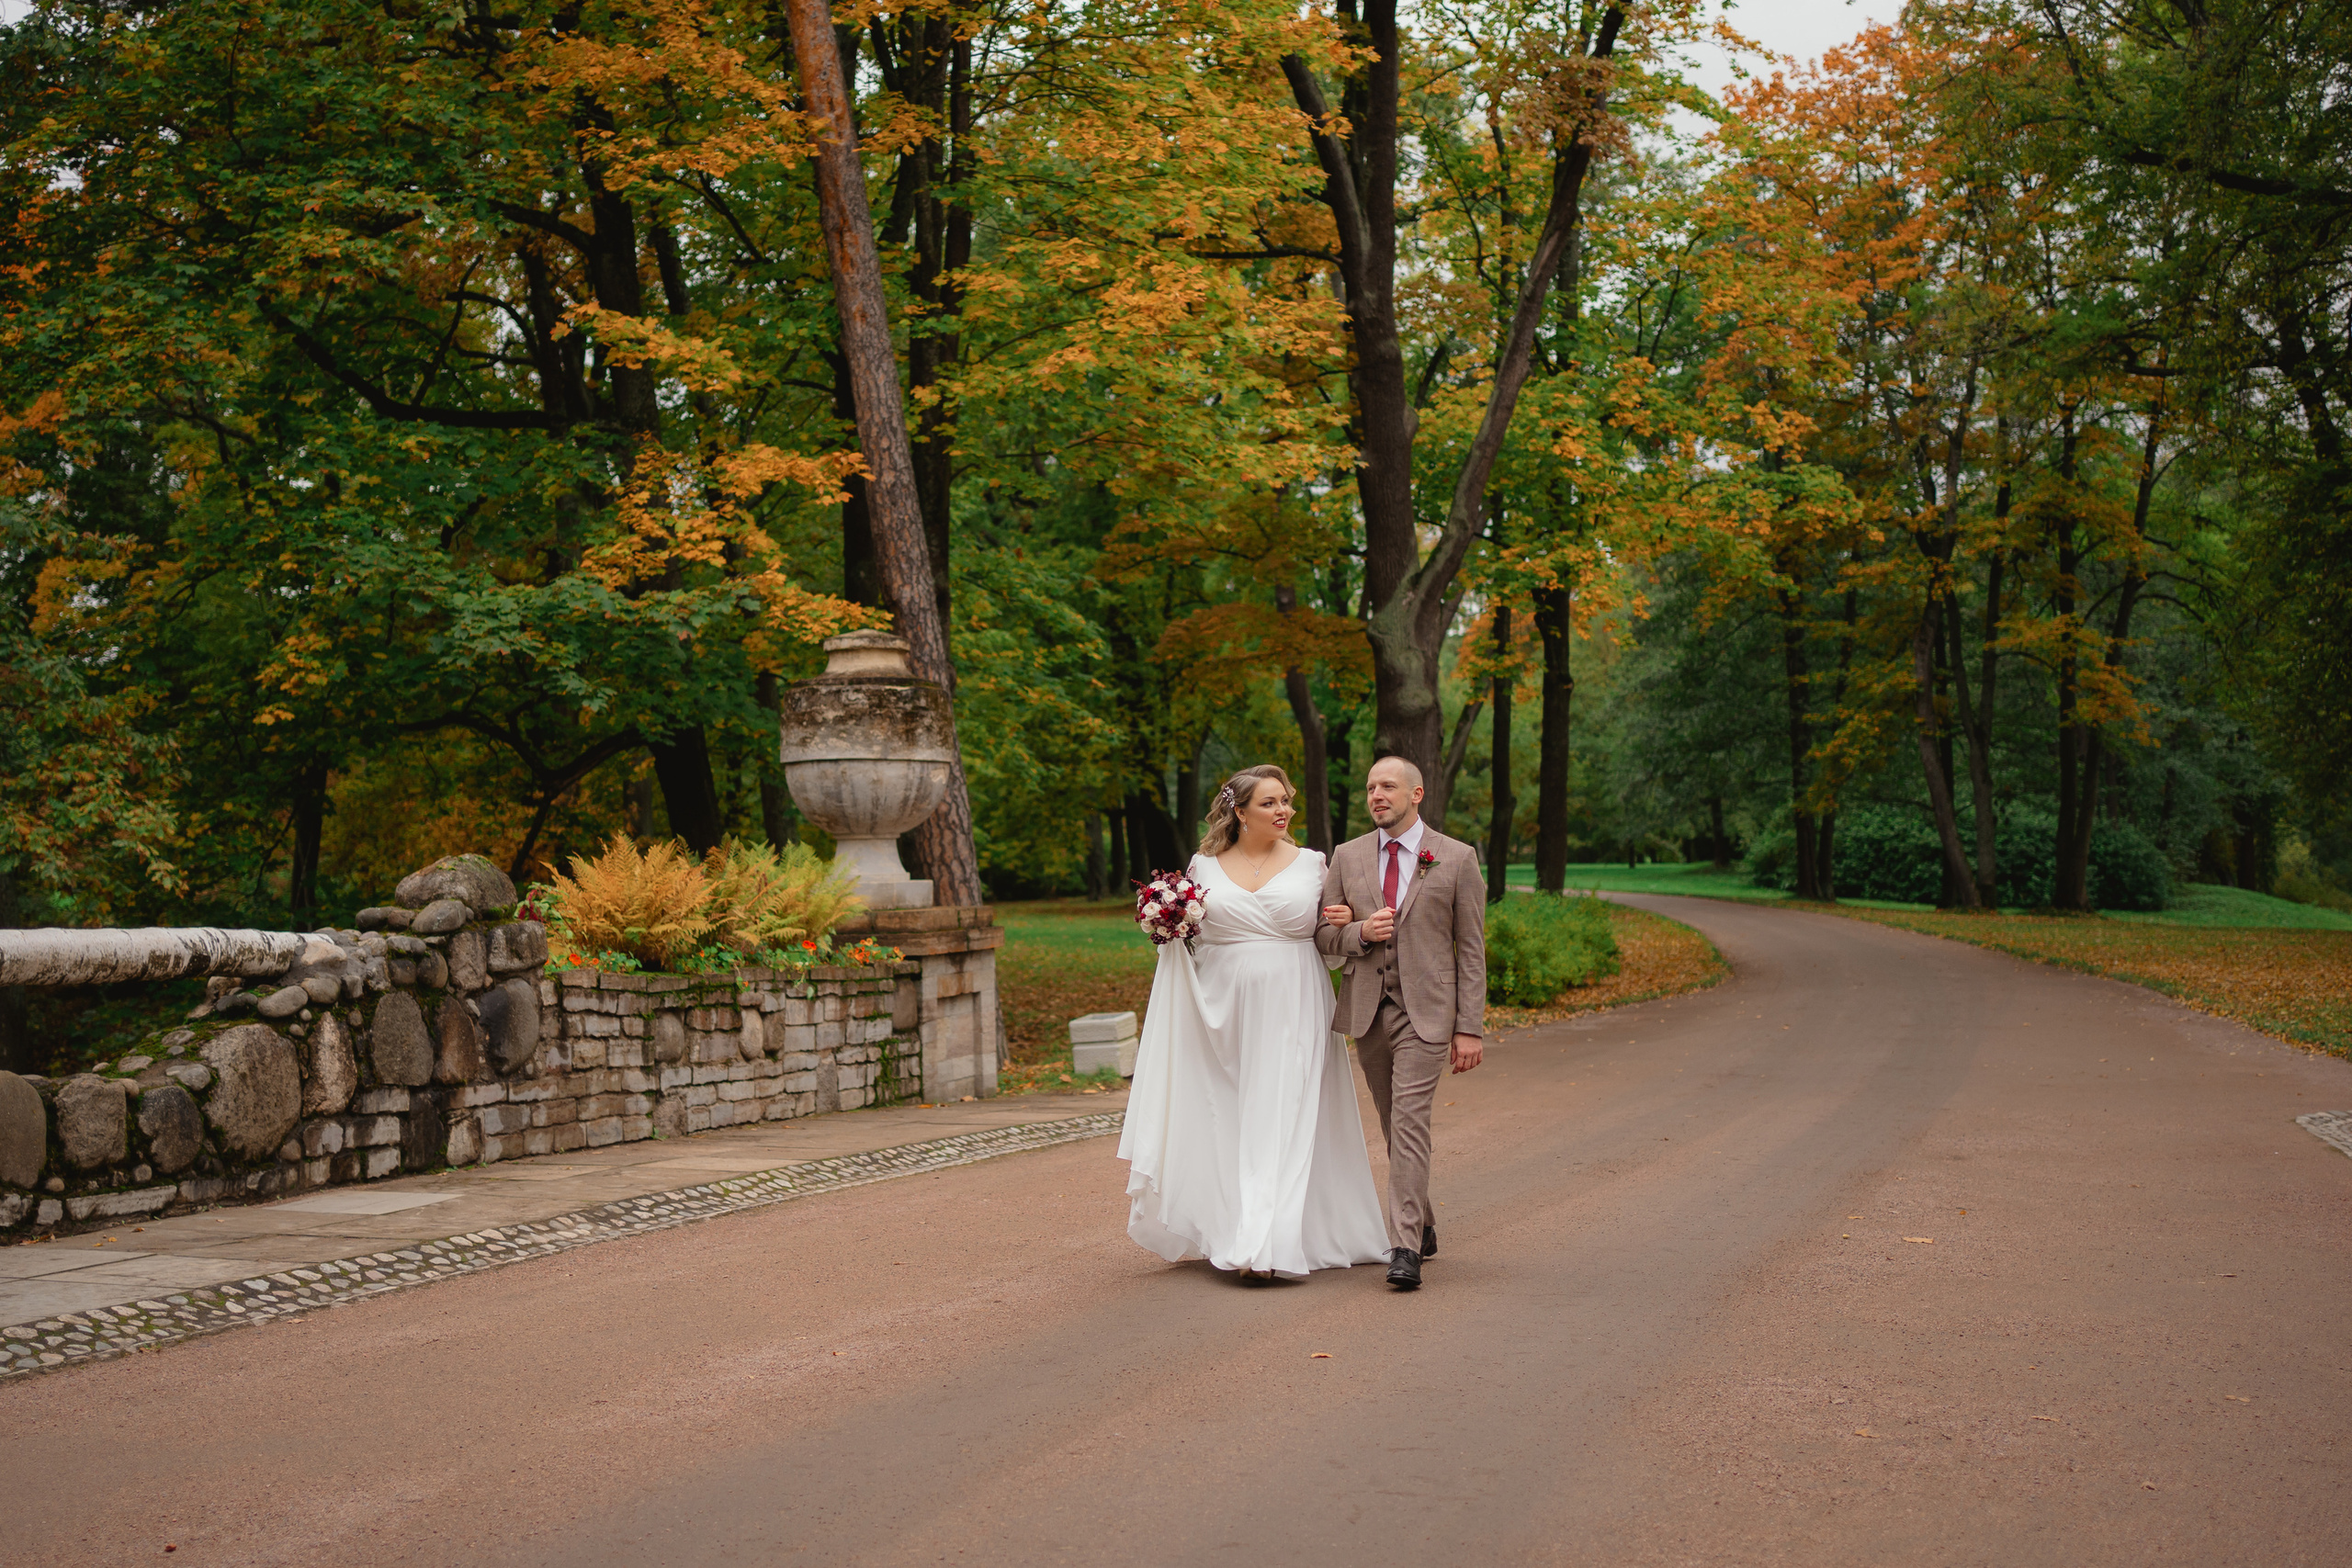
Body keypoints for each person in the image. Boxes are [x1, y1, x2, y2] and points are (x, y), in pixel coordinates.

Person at [1118, 764, 1390, 1280]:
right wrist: (1167, 921)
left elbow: (1335, 937)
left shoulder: (1314, 865)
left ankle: (1264, 1243)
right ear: (1239, 812)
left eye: (1286, 800)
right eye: (1269, 803)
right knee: (1230, 1114)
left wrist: (1347, 925)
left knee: (1283, 1111)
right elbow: (1193, 938)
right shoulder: (1203, 865)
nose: (1283, 810)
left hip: (1294, 1000)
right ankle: (1230, 1224)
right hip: (1219, 1009)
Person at [1316, 756, 1487, 1291]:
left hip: (1429, 1016)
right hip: (1369, 1011)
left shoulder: (1456, 859)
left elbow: (1471, 950)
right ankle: (1425, 1222)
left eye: (1387, 786)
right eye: (1370, 787)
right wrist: (1362, 932)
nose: (1376, 795)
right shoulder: (1346, 857)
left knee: (1410, 1121)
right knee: (1394, 1125)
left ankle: (1405, 1247)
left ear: (1416, 794)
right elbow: (1323, 937)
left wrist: (1470, 1026)